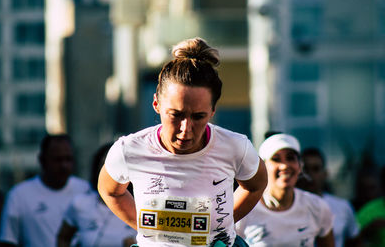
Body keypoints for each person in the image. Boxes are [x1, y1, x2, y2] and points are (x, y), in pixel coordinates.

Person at [98, 37, 268, 247]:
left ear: (213, 111)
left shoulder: (236, 147)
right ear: (156, 104)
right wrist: (148, 228)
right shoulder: (129, 149)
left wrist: (222, 226)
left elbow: (256, 184)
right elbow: (109, 190)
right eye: (176, 115)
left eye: (198, 117)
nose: (185, 129)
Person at [236, 133, 335, 247]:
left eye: (290, 158)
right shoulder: (244, 209)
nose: (284, 166)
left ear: (300, 166)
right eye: (276, 159)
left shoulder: (317, 207)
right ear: (263, 166)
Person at [0, 134, 90, 247]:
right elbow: (8, 241)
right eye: (57, 160)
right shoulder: (18, 196)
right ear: (42, 160)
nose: (64, 165)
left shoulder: (86, 190)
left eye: (68, 159)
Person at [57, 143, 137, 247]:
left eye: (116, 167)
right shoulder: (80, 204)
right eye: (105, 165)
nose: (111, 173)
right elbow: (63, 237)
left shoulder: (139, 205)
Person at [299, 147, 361, 247]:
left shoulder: (343, 207)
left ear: (325, 173)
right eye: (305, 169)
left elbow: (355, 241)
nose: (310, 175)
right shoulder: (287, 207)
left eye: (316, 169)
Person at [356, 165, 385, 247]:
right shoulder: (367, 211)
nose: (368, 193)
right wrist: (369, 228)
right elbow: (353, 239)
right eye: (364, 188)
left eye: (372, 188)